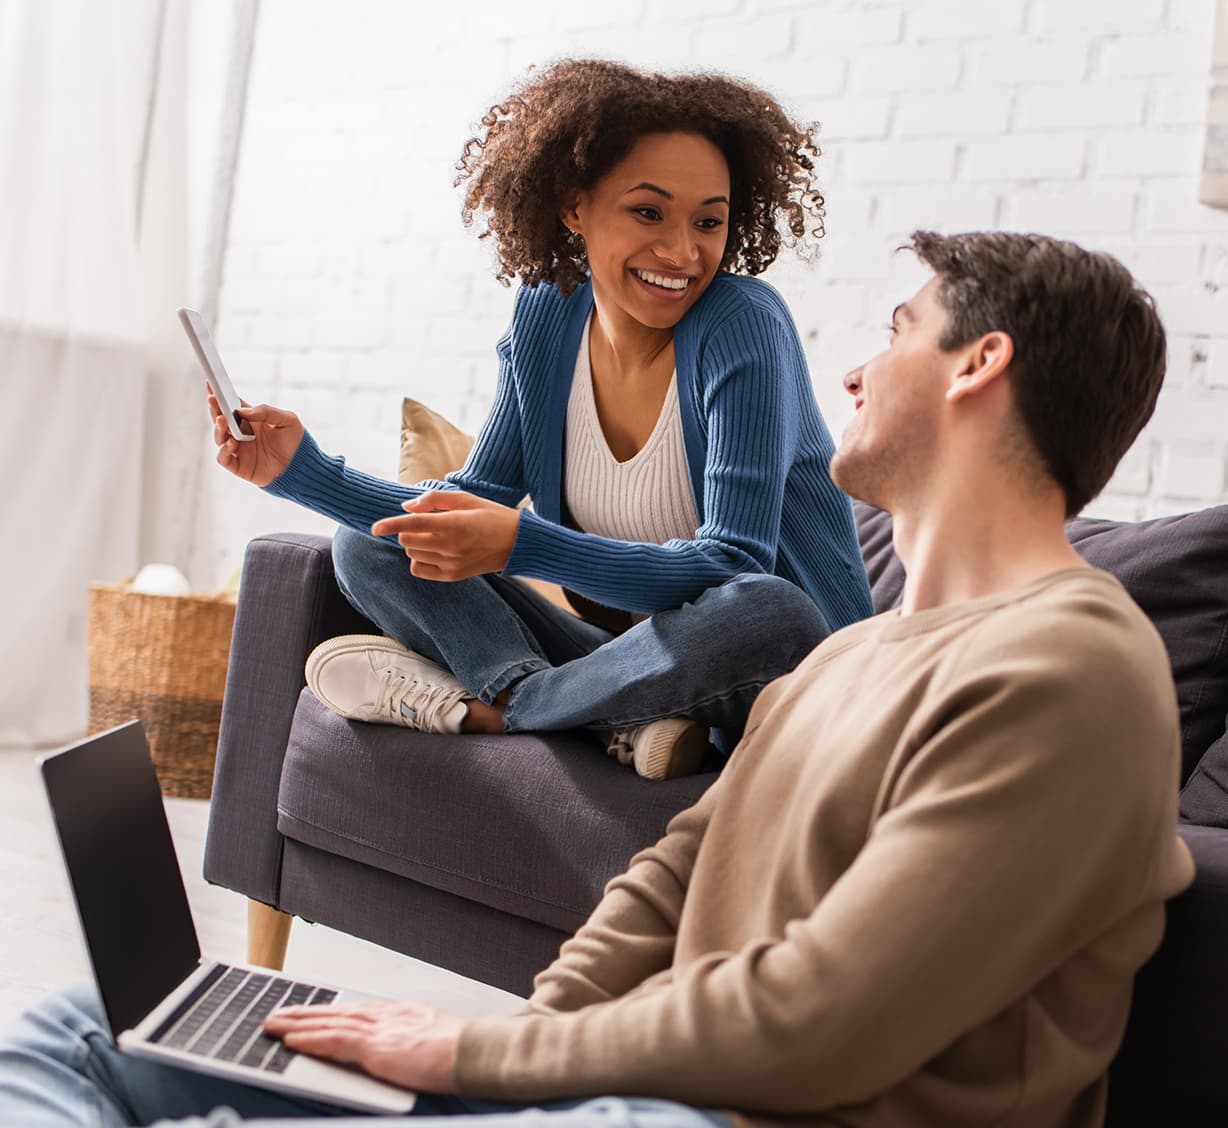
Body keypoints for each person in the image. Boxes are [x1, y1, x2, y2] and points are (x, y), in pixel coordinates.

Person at [0, 229, 1194, 1126]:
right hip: (630, 1096)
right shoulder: (865, 655)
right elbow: (664, 887)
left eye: (896, 328)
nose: (855, 370)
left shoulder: (1069, 669)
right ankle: (527, 706)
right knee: (83, 1029)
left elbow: (817, 1023)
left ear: (978, 363)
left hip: (714, 1115)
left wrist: (468, 1062)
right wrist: (511, 1063)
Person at [205, 58, 873, 781]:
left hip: (793, 677)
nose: (683, 252)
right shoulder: (548, 313)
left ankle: (508, 708)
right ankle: (598, 716)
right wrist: (299, 472)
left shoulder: (742, 323)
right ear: (573, 205)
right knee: (372, 545)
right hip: (641, 670)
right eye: (648, 212)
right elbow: (472, 501)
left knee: (763, 607)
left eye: (708, 221)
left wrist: (521, 544)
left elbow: (735, 566)